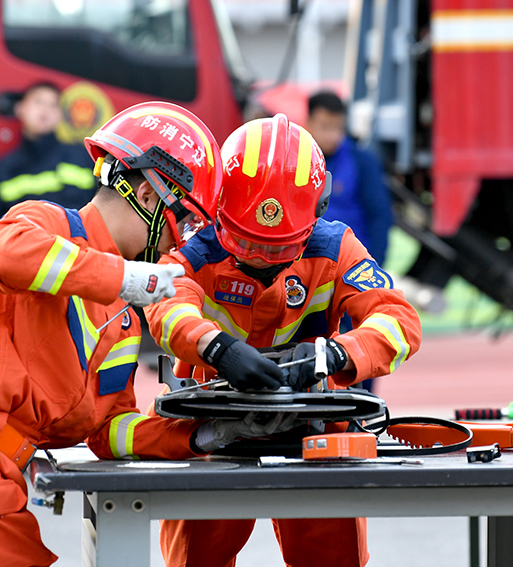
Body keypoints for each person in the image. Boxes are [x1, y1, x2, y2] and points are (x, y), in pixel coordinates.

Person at [0, 101, 275, 567]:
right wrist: (128, 278)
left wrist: (210, 433)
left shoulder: (121, 316)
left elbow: (111, 431)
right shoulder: (43, 224)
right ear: (146, 195)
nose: (181, 240)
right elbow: (8, 254)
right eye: (184, 219)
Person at [144, 113, 422, 567]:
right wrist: (218, 348)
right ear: (217, 208)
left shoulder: (335, 249)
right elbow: (166, 308)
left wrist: (337, 354)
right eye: (247, 242)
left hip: (313, 430)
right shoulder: (193, 251)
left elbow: (398, 320)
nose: (259, 258)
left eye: (277, 248)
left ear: (317, 213)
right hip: (214, 432)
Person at [304, 90, 394, 392]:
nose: (332, 135)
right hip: (310, 274)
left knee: (360, 347)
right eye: (325, 127)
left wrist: (373, 266)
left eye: (338, 128)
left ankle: (361, 414)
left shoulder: (361, 161)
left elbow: (380, 216)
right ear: (308, 122)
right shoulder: (296, 161)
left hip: (351, 272)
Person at [0, 81, 95, 232]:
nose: (45, 110)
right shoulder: (1, 170)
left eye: (53, 105)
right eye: (38, 102)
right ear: (20, 109)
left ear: (60, 115)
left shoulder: (82, 158)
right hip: (28, 252)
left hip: (82, 250)